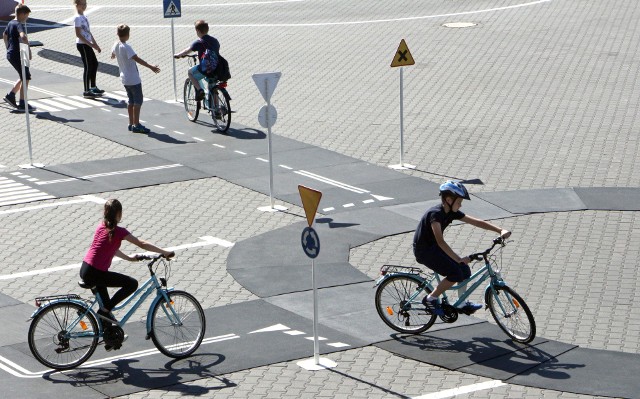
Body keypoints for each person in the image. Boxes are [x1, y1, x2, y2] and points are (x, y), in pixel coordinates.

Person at [80, 199, 174, 350]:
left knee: (107, 308)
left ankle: (110, 338)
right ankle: (104, 313)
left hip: (87, 269)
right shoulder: (118, 231)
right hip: (96, 273)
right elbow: (141, 243)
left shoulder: (102, 226)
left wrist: (130, 258)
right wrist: (164, 252)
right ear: (119, 214)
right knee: (132, 284)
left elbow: (111, 248)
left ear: (105, 213)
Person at [413, 181, 511, 316]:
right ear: (448, 200)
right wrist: (458, 259)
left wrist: (500, 230)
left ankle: (462, 303)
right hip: (424, 251)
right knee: (455, 274)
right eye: (459, 201)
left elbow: (476, 222)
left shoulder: (451, 212)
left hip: (434, 248)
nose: (461, 205)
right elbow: (440, 241)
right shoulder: (435, 215)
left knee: (464, 269)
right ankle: (431, 298)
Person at [110, 24, 160, 134]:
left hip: (124, 78)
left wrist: (114, 55)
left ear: (117, 34)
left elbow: (113, 54)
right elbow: (136, 58)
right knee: (138, 101)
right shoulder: (127, 47)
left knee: (130, 100)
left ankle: (130, 123)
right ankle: (136, 124)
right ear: (127, 35)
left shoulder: (116, 44)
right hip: (133, 78)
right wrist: (150, 66)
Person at [173, 19, 220, 102]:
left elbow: (187, 50)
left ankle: (199, 90)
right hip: (217, 67)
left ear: (198, 31)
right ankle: (217, 110)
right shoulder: (215, 40)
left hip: (206, 68)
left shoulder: (199, 42)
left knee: (190, 72)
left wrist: (178, 55)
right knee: (213, 86)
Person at [3, 4, 35, 112]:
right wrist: (29, 49)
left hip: (11, 54)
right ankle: (22, 102)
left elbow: (4, 35)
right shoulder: (18, 24)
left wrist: (7, 47)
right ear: (21, 14)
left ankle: (11, 96)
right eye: (26, 15)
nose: (27, 18)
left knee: (24, 76)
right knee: (26, 77)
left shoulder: (11, 23)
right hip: (18, 54)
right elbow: (23, 37)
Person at [73, 0, 104, 98]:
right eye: (82, 4)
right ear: (77, 5)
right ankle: (86, 91)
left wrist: (95, 44)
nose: (84, 6)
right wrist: (90, 44)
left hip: (88, 44)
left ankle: (93, 86)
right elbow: (78, 34)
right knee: (88, 66)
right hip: (82, 44)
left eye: (85, 4)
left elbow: (88, 32)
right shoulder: (77, 18)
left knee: (94, 64)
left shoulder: (84, 17)